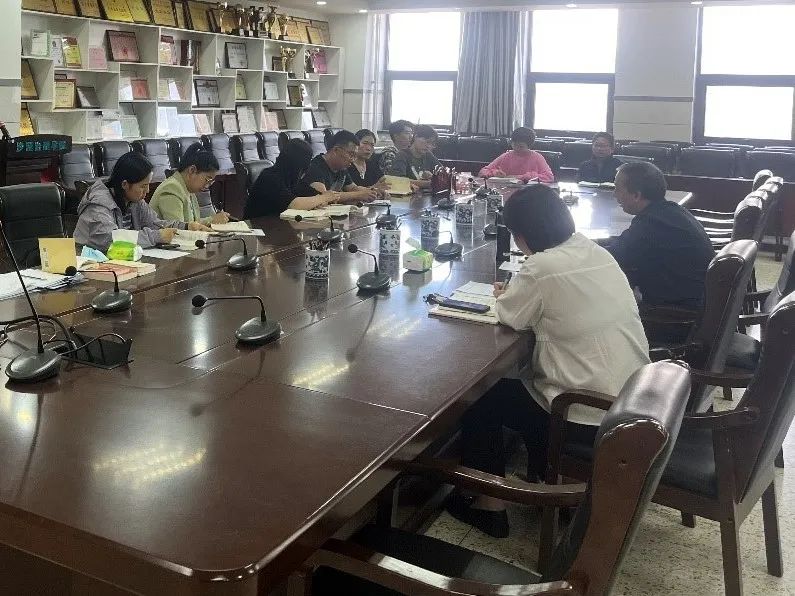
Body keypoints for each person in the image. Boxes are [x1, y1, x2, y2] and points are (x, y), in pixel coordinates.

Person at [447, 185, 650, 538]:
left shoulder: (541, 267)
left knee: (480, 397)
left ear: (520, 236)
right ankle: (541, 468)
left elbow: (511, 316)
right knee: (520, 383)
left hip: (584, 412)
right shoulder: (592, 249)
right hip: (630, 401)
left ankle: (489, 506)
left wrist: (507, 295)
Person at [608, 162, 715, 312]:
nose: (614, 194)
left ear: (637, 195)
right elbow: (626, 246)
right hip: (699, 298)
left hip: (678, 312)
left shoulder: (651, 223)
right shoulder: (671, 211)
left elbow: (612, 257)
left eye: (617, 189)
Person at [74, 152, 208, 252]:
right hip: (92, 264)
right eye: (143, 186)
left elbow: (155, 224)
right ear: (125, 184)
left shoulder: (135, 200)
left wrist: (186, 227)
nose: (147, 191)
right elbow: (110, 239)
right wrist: (156, 237)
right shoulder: (98, 204)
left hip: (122, 260)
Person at [245, 138, 338, 217]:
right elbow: (294, 205)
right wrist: (324, 198)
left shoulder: (291, 179)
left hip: (279, 226)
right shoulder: (269, 178)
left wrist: (319, 200)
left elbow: (314, 195)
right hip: (258, 227)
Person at [149, 143, 230, 225]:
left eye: (210, 182)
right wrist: (211, 220)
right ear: (192, 170)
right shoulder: (171, 188)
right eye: (207, 179)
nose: (207, 186)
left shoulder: (188, 189)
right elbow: (178, 228)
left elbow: (192, 223)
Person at [293, 130, 378, 202]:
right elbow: (324, 197)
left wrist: (372, 192)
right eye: (351, 154)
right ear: (336, 150)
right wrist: (359, 195)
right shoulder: (315, 167)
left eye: (355, 156)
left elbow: (353, 188)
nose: (353, 160)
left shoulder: (341, 168)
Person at [479, 127, 554, 183]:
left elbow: (549, 177)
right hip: (506, 190)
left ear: (529, 146)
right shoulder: (506, 155)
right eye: (514, 145)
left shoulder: (537, 157)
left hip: (528, 192)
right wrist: (494, 173)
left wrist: (522, 177)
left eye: (521, 147)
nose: (516, 149)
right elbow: (483, 171)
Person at [387, 124, 442, 189]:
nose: (429, 146)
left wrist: (433, 177)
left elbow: (443, 174)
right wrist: (430, 183)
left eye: (432, 144)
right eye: (427, 141)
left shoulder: (428, 155)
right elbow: (397, 180)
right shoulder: (402, 155)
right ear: (416, 137)